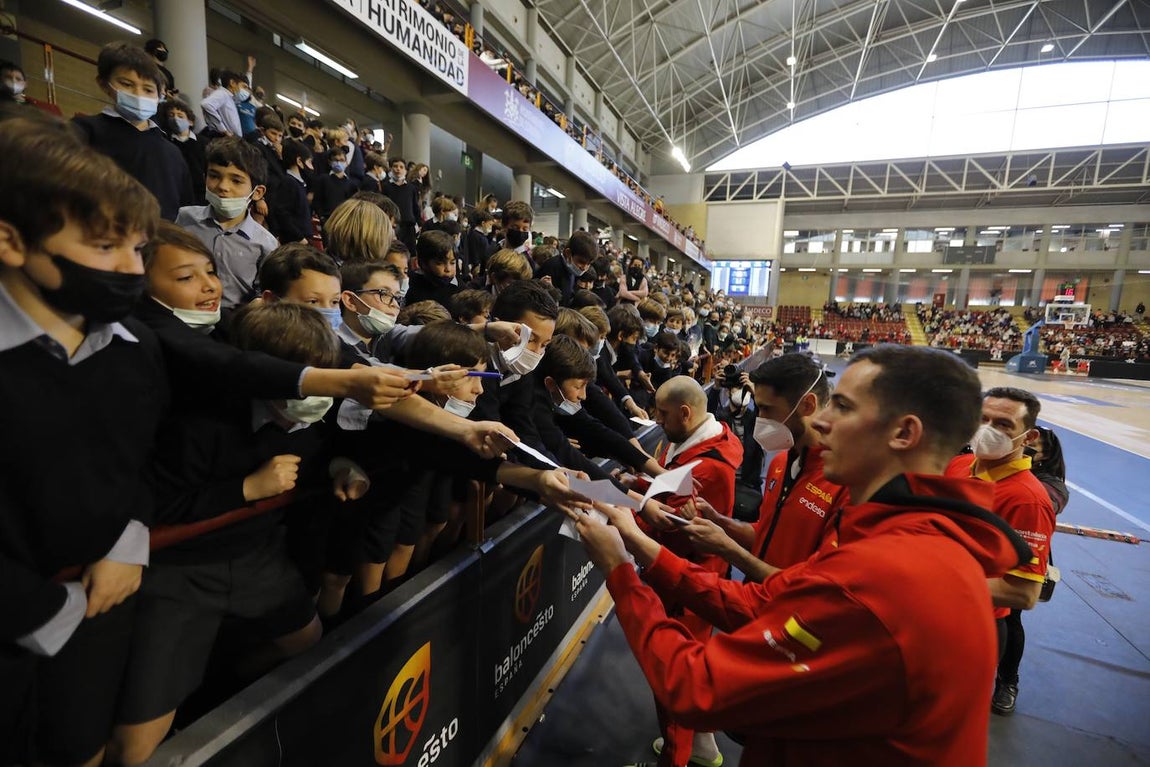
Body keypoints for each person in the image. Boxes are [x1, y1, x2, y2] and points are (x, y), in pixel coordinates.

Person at [572, 345, 1032, 766]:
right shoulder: (903, 541)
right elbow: (766, 600)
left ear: (903, 433)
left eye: (844, 407)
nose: (824, 421)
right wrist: (639, 545)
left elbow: (695, 686)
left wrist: (619, 570)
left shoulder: (882, 575)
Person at [0, 116, 165, 767]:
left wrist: (130, 535)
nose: (132, 270)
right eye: (104, 248)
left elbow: (137, 461)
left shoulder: (134, 345)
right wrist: (47, 609)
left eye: (140, 250)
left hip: (102, 609)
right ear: (12, 241)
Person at [636, 375, 743, 767]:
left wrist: (616, 508)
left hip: (687, 582)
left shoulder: (707, 467)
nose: (657, 420)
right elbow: (665, 490)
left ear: (685, 413)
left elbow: (664, 522)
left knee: (674, 680)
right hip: (699, 578)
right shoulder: (705, 442)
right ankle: (701, 747)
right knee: (693, 672)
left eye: (662, 414)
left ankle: (677, 758)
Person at [685, 353, 847, 582]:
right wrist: (720, 521)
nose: (759, 419)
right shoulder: (780, 463)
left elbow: (813, 586)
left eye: (767, 409)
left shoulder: (843, 484)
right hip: (755, 601)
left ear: (808, 405)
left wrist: (728, 549)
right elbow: (764, 533)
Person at [946, 386, 1057, 718]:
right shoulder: (960, 466)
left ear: (1028, 435)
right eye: (983, 419)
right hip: (931, 615)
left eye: (1004, 424)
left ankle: (1007, 680)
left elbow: (1023, 594)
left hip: (973, 628)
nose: (989, 429)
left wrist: (934, 582)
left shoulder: (1027, 499)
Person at [72, 43, 194, 221]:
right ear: (104, 84)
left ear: (160, 95)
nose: (138, 94)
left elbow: (184, 209)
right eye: (127, 84)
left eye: (148, 89)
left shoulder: (172, 152)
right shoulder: (83, 132)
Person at [175, 137, 277, 307]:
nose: (223, 186)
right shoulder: (185, 218)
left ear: (257, 192)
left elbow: (263, 293)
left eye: (236, 180)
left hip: (231, 322)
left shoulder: (266, 244)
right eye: (214, 176)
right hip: (181, 312)